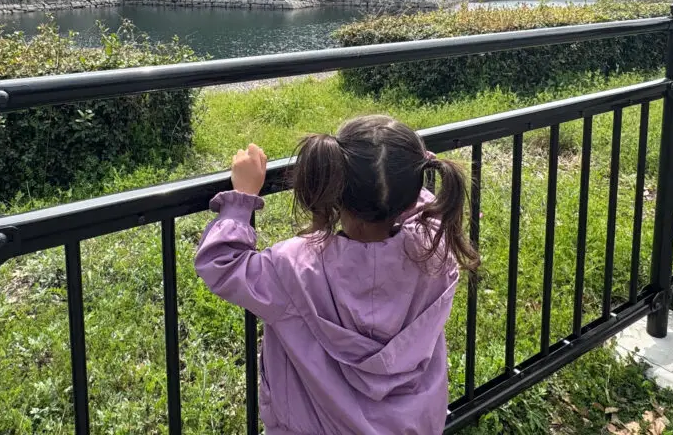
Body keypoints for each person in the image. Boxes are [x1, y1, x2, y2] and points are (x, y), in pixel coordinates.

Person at [195, 115, 479, 435]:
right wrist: (403, 168)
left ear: (333, 187)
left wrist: (241, 198)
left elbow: (221, 264)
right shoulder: (435, 249)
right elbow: (416, 205)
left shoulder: (294, 268)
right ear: (411, 192)